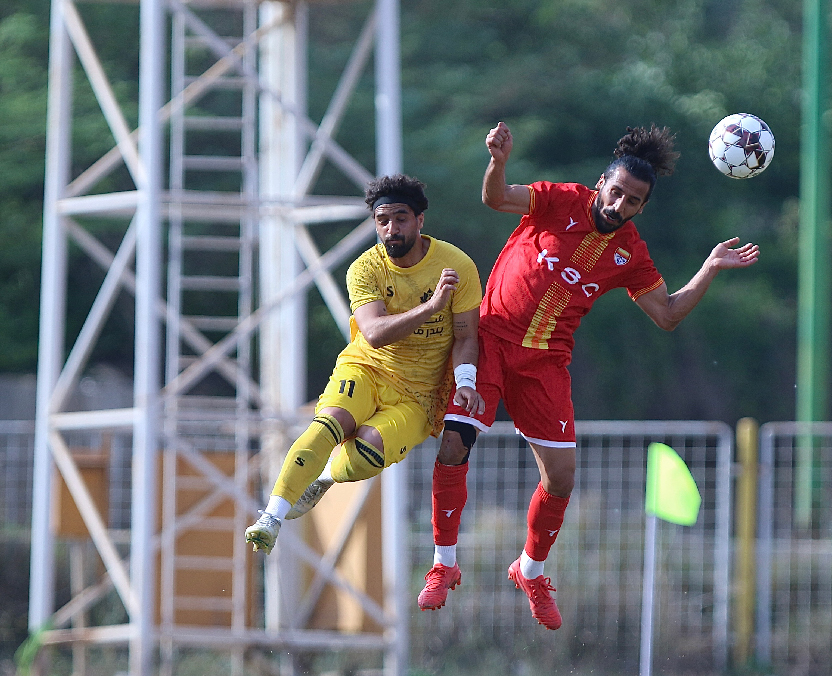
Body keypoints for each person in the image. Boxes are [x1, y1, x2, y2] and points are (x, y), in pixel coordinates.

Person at [416, 122, 760, 629]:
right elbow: (495, 198)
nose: (619, 205)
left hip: (546, 363)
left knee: (561, 478)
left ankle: (530, 571)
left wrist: (708, 267)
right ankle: (443, 564)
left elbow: (666, 314)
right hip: (491, 340)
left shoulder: (630, 252)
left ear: (642, 207)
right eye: (616, 191)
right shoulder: (560, 200)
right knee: (454, 444)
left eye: (632, 201)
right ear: (602, 182)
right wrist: (498, 161)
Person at [245, 174, 484, 555]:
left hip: (419, 394)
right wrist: (430, 307)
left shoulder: (456, 266)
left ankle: (325, 475)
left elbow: (466, 335)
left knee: (367, 454)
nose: (391, 229)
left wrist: (466, 381)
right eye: (382, 220)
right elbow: (373, 333)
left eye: (401, 219)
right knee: (328, 424)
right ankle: (270, 518)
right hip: (367, 368)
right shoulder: (364, 268)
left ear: (420, 220)